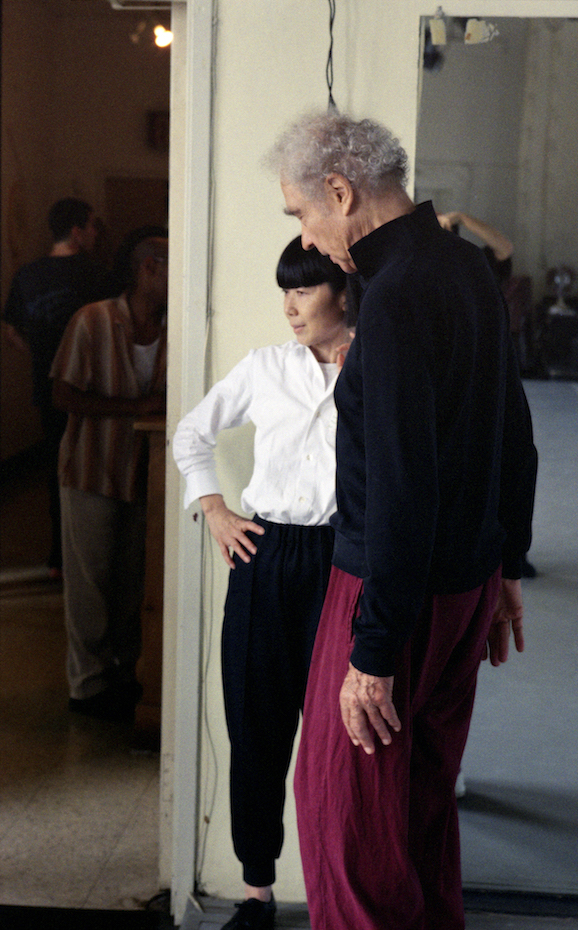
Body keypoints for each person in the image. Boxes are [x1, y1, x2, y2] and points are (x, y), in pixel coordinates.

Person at [266, 111, 538, 930]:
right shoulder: (464, 270)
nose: (308, 237)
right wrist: (504, 569)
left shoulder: (391, 298)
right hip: (463, 587)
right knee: (419, 820)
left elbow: (400, 484)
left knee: (348, 836)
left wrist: (373, 649)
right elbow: (511, 432)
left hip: (387, 592)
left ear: (341, 192)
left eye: (303, 214)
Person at [173, 237, 350, 930]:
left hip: (345, 560)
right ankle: (256, 892)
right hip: (267, 557)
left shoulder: (377, 367)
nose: (290, 306)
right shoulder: (266, 368)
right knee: (256, 727)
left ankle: (340, 892)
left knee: (338, 738)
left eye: (303, 290)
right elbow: (192, 434)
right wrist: (215, 509)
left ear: (342, 291)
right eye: (285, 291)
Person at [51, 229, 168, 722]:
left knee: (130, 580)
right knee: (89, 580)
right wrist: (134, 407)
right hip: (91, 468)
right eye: (169, 263)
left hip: (144, 471)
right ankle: (87, 683)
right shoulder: (93, 320)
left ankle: (122, 673)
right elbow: (63, 394)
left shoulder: (175, 324)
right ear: (148, 268)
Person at [3, 198, 110, 577]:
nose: (97, 233)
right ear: (77, 231)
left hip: (46, 386)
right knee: (93, 471)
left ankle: (58, 560)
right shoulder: (95, 274)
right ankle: (90, 558)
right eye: (93, 226)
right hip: (91, 388)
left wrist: (42, 356)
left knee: (55, 468)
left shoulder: (27, 275)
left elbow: (12, 329)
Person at [437, 210, 538, 580]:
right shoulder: (424, 268)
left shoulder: (479, 265)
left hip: (495, 373)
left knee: (512, 460)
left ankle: (514, 551)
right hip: (455, 377)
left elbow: (504, 246)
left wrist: (462, 218)